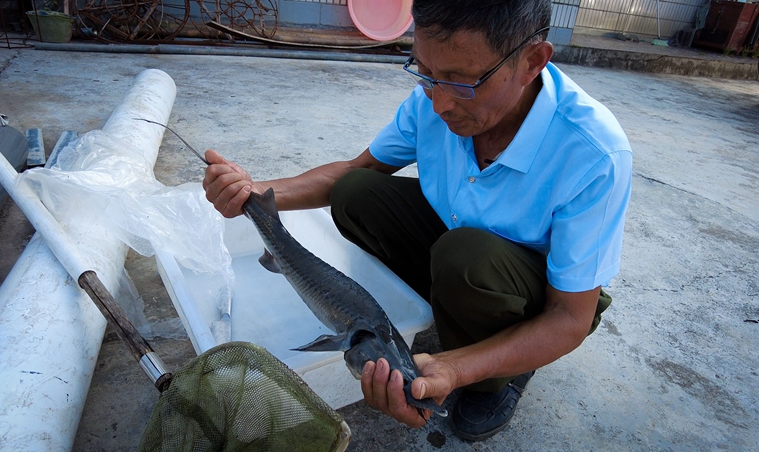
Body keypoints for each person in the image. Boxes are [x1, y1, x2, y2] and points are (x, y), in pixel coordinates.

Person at [202, 0, 632, 441]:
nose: (440, 103)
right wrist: (252, 194)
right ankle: (450, 305)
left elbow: (569, 316)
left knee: (465, 257)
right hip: (458, 246)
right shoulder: (436, 98)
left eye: (462, 82)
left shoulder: (594, 152)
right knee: (356, 192)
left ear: (532, 61)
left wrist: (456, 368)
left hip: (537, 293)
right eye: (425, 73)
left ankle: (501, 376)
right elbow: (357, 170)